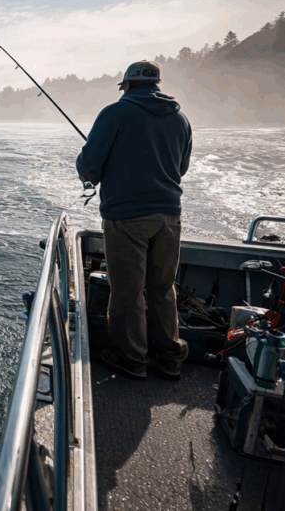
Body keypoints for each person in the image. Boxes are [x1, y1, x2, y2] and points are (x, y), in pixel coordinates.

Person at [76, 60, 192, 380]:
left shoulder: (114, 114)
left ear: (127, 85)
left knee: (127, 292)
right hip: (170, 216)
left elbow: (89, 166)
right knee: (162, 289)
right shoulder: (180, 119)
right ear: (156, 84)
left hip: (126, 217)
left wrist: (90, 173)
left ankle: (132, 358)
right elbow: (180, 168)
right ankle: (169, 358)